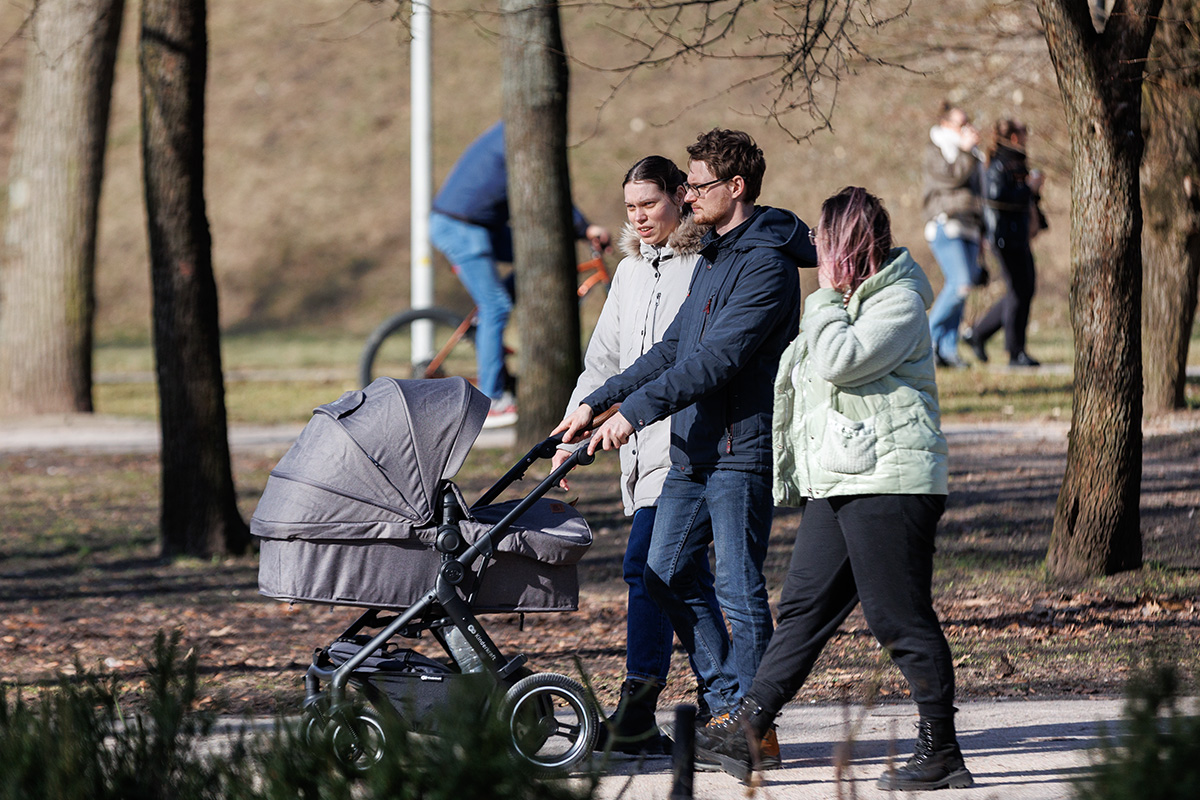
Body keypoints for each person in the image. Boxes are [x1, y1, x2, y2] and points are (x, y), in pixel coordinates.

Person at [693, 187, 973, 792]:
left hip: (892, 482)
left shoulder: (898, 301)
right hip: (842, 479)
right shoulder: (844, 303)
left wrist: (821, 297)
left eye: (824, 239)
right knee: (802, 608)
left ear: (849, 243)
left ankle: (941, 749)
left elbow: (841, 360)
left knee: (897, 617)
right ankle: (749, 726)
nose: (815, 249)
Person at [554, 129, 817, 764]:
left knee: (738, 587)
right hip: (695, 448)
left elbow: (719, 360)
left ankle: (754, 727)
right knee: (661, 571)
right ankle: (731, 704)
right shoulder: (718, 254)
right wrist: (597, 402)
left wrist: (633, 414)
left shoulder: (767, 264)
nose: (689, 196)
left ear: (736, 187)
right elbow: (672, 348)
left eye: (698, 186)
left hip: (740, 447)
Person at [552, 155, 715, 754]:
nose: (640, 217)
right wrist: (575, 424)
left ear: (680, 197)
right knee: (681, 579)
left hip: (685, 448)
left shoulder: (705, 266)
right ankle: (737, 702)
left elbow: (693, 364)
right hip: (634, 451)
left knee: (648, 570)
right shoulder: (628, 274)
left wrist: (633, 416)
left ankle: (640, 710)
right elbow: (604, 362)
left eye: (650, 203)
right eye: (630, 208)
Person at [430, 121, 611, 426]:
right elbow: (550, 192)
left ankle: (486, 326)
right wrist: (584, 228)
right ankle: (492, 401)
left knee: (542, 256)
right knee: (496, 306)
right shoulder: (518, 144)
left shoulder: (510, 133)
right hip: (461, 228)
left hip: (479, 226)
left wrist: (578, 231)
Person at [963, 119, 1045, 368]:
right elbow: (998, 196)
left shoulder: (1015, 160)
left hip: (1016, 235)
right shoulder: (1000, 162)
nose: (1026, 137)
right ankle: (1015, 352)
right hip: (1004, 237)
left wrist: (1033, 189)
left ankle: (979, 334)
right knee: (1019, 290)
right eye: (1023, 133)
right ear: (1013, 137)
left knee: (1023, 289)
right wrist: (1029, 187)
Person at [922, 103, 986, 369]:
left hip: (970, 226)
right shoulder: (935, 149)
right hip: (945, 224)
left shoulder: (969, 153)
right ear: (945, 124)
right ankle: (922, 339)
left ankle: (946, 350)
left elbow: (979, 192)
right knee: (961, 284)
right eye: (961, 124)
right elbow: (952, 178)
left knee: (962, 290)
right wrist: (965, 150)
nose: (967, 128)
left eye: (968, 122)